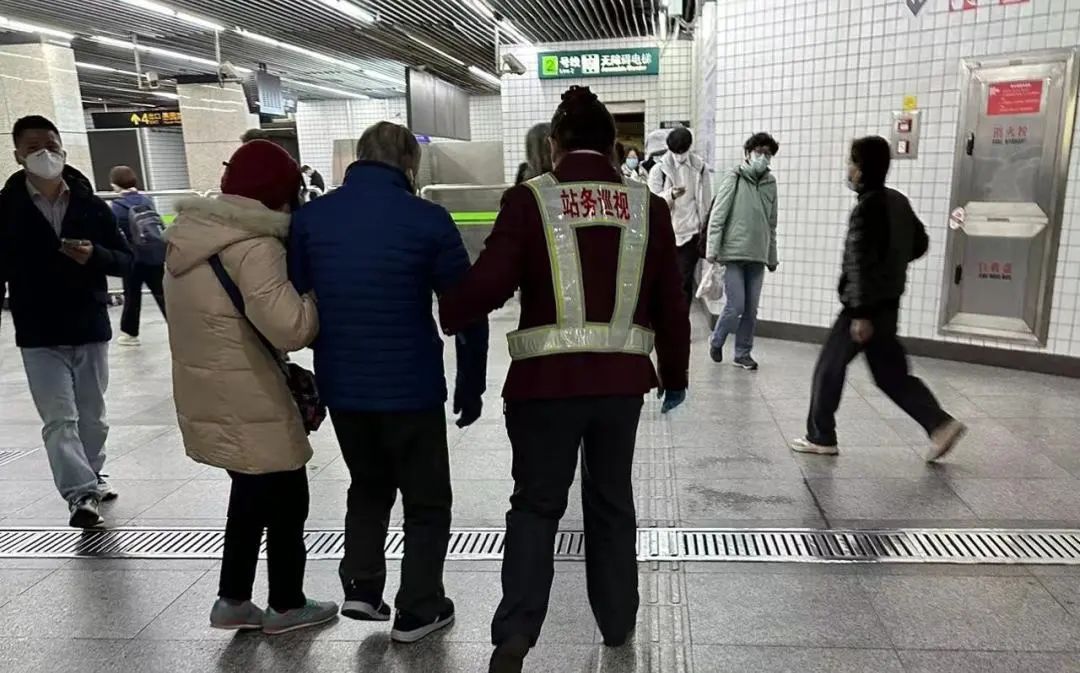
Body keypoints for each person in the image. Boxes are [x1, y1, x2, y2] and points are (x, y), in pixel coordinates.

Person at [438, 86, 691, 673]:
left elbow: (490, 281)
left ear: (554, 145)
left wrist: (448, 311)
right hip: (620, 388)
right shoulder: (647, 206)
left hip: (542, 389)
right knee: (612, 502)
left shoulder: (531, 199)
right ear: (613, 147)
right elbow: (671, 302)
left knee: (535, 506)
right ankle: (618, 621)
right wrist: (674, 373)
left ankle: (515, 636)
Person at [289, 121, 488, 644]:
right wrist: (471, 384)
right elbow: (464, 308)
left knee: (368, 483)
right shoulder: (428, 219)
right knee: (426, 499)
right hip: (410, 384)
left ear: (359, 158)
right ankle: (420, 608)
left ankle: (361, 585)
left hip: (343, 383)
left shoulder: (312, 218)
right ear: (409, 164)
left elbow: (297, 290)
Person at [164, 140, 337, 635]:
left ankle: (234, 599)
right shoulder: (255, 245)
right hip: (250, 392)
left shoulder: (188, 237)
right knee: (287, 498)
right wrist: (314, 296)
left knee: (248, 495)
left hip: (209, 389)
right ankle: (286, 605)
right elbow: (290, 329)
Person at [790, 136, 967, 461]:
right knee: (891, 375)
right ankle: (940, 424)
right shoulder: (897, 201)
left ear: (862, 168)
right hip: (888, 303)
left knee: (829, 368)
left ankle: (821, 436)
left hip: (863, 309)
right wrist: (892, 265)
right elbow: (920, 243)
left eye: (851, 162)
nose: (848, 168)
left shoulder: (866, 209)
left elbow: (858, 264)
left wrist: (860, 313)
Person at [0, 115, 132, 528]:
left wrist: (95, 256)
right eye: (34, 147)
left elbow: (125, 260)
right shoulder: (6, 209)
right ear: (18, 155)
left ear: (63, 150)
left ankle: (93, 473)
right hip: (37, 330)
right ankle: (80, 495)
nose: (45, 154)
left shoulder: (90, 205)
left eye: (52, 146)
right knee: (59, 418)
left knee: (92, 416)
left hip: (88, 324)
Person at [704, 132, 780, 370]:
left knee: (751, 310)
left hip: (758, 255)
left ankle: (742, 353)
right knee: (736, 305)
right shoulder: (734, 177)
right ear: (748, 153)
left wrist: (772, 256)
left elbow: (771, 223)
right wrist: (712, 249)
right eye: (759, 152)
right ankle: (717, 340)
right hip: (733, 253)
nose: (763, 157)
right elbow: (718, 215)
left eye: (768, 154)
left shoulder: (770, 183)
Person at [648, 127, 711, 306]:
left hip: (691, 233)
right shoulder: (658, 170)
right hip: (666, 235)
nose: (679, 156)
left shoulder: (700, 168)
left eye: (682, 152)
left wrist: (706, 230)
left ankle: (681, 319)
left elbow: (706, 201)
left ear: (689, 147)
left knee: (684, 281)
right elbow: (652, 203)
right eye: (675, 152)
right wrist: (671, 195)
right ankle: (666, 316)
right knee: (665, 280)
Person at [109, 165, 166, 346]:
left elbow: (115, 233)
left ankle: (130, 333)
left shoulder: (117, 206)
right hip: (154, 254)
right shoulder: (147, 200)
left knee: (132, 295)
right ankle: (179, 328)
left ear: (115, 184)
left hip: (133, 257)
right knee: (162, 294)